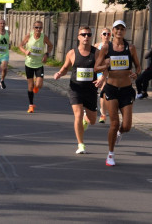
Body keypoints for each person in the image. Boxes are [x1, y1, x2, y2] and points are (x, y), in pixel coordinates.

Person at [96, 19, 140, 166]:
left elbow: (139, 67)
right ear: (113, 31)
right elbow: (96, 67)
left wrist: (136, 74)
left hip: (127, 90)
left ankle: (120, 133)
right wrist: (105, 65)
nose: (119, 31)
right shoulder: (106, 48)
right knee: (114, 123)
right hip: (111, 89)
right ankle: (110, 154)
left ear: (125, 31)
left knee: (126, 126)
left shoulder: (131, 48)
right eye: (117, 28)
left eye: (122, 29)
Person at [53, 25, 101, 154]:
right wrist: (59, 73)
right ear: (78, 37)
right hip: (76, 89)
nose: (86, 37)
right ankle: (81, 145)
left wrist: (103, 79)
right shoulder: (72, 53)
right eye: (84, 34)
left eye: (89, 35)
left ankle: (86, 120)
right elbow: (65, 68)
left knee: (92, 121)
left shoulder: (96, 52)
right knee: (78, 115)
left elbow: (104, 68)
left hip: (91, 90)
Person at [19, 20, 53, 113]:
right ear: (33, 28)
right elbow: (21, 45)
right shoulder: (29, 36)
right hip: (29, 64)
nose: (38, 29)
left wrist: (46, 55)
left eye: (40, 27)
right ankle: (31, 105)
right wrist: (25, 51)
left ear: (42, 29)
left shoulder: (43, 37)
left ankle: (36, 85)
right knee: (30, 86)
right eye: (36, 27)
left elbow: (50, 46)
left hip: (39, 64)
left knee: (39, 85)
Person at [94, 27, 111, 123]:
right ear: (101, 35)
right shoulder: (96, 46)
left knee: (109, 93)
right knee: (103, 90)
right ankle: (103, 114)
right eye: (104, 34)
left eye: (108, 34)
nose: (106, 36)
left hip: (111, 72)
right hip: (101, 71)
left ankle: (108, 111)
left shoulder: (112, 46)